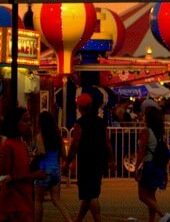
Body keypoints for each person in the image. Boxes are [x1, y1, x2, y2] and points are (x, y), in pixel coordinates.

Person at [67, 92, 114, 222]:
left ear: (79, 107)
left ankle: (97, 219)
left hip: (86, 161)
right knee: (90, 193)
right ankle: (78, 219)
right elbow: (107, 142)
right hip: (99, 161)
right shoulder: (100, 122)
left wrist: (68, 161)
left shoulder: (79, 124)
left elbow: (75, 144)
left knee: (90, 194)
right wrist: (111, 160)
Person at [0, 107, 45, 222]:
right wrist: (33, 175)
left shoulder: (21, 143)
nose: (29, 124)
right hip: (13, 203)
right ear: (15, 123)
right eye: (25, 120)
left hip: (25, 198)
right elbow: (4, 177)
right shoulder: (8, 145)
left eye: (29, 120)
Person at [133, 104, 170, 222]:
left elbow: (141, 151)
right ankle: (152, 219)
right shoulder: (160, 133)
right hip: (158, 166)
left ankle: (162, 214)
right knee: (151, 195)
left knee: (142, 195)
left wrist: (136, 167)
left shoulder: (145, 132)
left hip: (149, 165)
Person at [34, 110, 71, 222]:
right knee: (56, 199)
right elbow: (64, 154)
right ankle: (69, 220)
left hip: (44, 169)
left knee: (38, 200)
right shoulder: (57, 136)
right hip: (55, 169)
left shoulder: (40, 136)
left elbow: (41, 153)